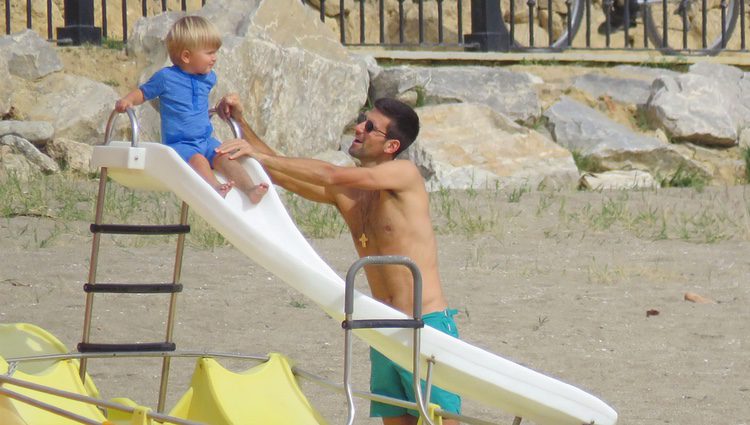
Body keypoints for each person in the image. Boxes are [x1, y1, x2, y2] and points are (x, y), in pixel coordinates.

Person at [215, 94, 461, 425]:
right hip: (381, 326)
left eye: (370, 126)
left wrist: (256, 154)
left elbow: (330, 174)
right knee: (395, 421)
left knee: (441, 421)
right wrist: (242, 126)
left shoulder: (405, 175)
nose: (358, 127)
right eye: (363, 118)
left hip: (424, 324)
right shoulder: (352, 193)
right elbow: (277, 169)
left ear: (390, 146)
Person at [115, 16, 268, 203]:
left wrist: (219, 106)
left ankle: (250, 189)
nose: (214, 58)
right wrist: (127, 100)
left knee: (225, 158)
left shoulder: (208, 78)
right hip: (181, 145)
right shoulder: (166, 78)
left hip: (206, 140)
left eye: (215, 52)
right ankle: (214, 187)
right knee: (198, 160)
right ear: (187, 56)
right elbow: (143, 92)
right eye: (209, 53)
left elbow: (201, 104)